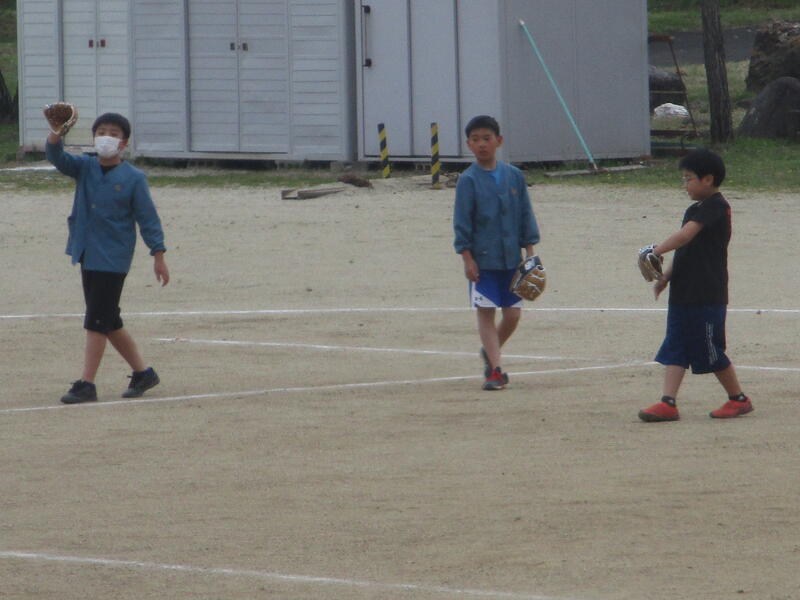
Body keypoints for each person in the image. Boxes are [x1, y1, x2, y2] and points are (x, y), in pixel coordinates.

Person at [45, 111, 170, 404]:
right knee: (108, 319)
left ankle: (87, 384)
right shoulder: (85, 167)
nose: (106, 138)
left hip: (113, 257)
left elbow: (148, 219)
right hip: (87, 252)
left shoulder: (134, 178)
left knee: (96, 320)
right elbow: (56, 156)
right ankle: (144, 373)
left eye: (114, 134)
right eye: (101, 132)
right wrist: (56, 132)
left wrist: (159, 254)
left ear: (124, 143)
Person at [639, 148, 753, 421]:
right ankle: (668, 402)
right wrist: (666, 277)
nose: (685, 184)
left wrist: (657, 250)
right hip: (684, 291)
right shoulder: (694, 209)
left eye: (689, 178)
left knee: (709, 348)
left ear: (708, 179)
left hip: (706, 293)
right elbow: (684, 249)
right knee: (676, 344)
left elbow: (685, 236)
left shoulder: (717, 206)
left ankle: (738, 399)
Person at [453, 115, 540, 390]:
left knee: (512, 315)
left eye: (486, 139)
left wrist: (530, 254)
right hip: (483, 260)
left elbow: (525, 215)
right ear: (468, 144)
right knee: (486, 311)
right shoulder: (468, 180)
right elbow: (462, 222)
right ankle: (495, 371)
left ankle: (490, 351)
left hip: (512, 260)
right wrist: (467, 258)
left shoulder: (514, 176)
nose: (481, 144)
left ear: (498, 141)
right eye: (475, 140)